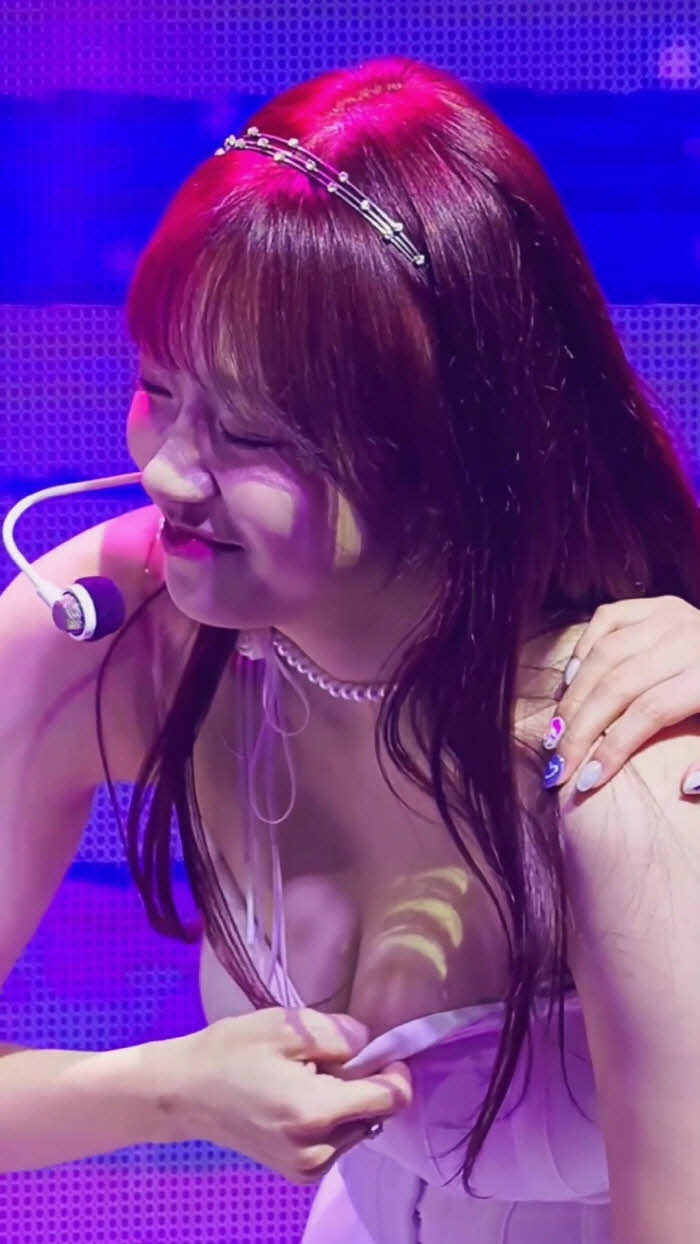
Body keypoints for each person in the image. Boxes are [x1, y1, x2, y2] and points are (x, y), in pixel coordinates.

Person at [1, 53, 699, 1244]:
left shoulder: (620, 765)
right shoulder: (110, 626)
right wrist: (164, 1088)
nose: (168, 471)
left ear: (439, 451)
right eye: (158, 386)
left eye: (251, 431)